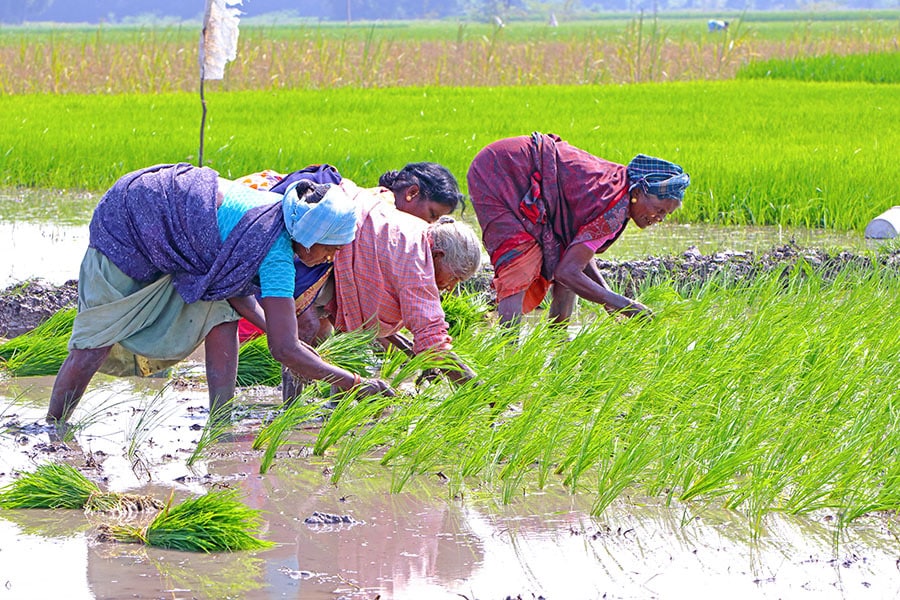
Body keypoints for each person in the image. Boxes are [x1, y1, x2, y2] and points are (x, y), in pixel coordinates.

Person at [47, 162, 394, 427]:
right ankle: (54, 425)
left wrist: (279, 331)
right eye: (329, 249)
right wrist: (354, 382)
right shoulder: (275, 252)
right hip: (131, 221)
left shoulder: (279, 218)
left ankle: (220, 422)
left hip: (176, 227)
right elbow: (284, 349)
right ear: (310, 234)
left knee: (221, 317)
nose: (330, 259)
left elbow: (239, 298)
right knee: (95, 340)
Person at [466, 132, 690, 325]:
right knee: (519, 262)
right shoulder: (613, 208)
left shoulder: (618, 193)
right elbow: (567, 272)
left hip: (519, 162)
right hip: (503, 169)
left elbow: (577, 258)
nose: (659, 218)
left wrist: (609, 297)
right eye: (659, 210)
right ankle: (510, 354)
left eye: (666, 215)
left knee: (567, 256)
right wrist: (622, 303)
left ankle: (559, 342)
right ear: (638, 193)